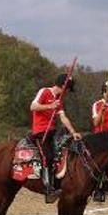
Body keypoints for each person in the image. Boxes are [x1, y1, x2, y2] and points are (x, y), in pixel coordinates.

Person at [30, 73, 82, 203]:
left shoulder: (59, 99)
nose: (68, 92)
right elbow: (33, 106)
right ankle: (48, 190)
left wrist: (73, 132)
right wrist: (50, 106)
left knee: (65, 150)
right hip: (41, 131)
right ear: (63, 87)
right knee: (48, 156)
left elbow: (63, 118)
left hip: (52, 131)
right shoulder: (45, 91)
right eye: (68, 89)